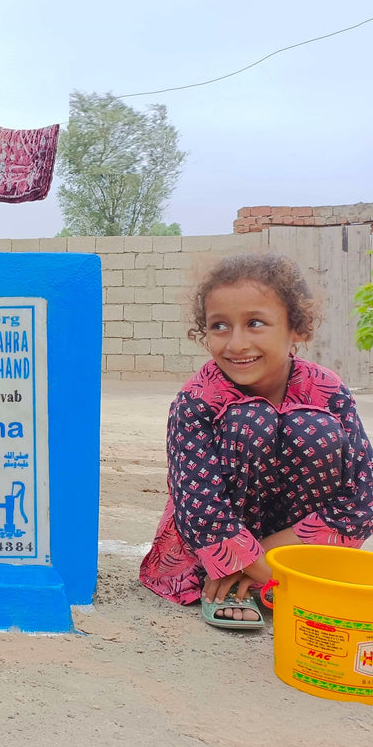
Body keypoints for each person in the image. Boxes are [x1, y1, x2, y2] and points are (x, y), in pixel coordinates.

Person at [140, 252, 373, 629]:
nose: (236, 343)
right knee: (252, 418)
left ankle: (252, 577)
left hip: (295, 545)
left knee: (319, 430)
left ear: (296, 329)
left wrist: (265, 563)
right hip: (208, 546)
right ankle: (229, 580)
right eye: (219, 326)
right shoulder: (198, 399)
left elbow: (361, 494)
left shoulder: (328, 390)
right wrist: (250, 562)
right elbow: (198, 502)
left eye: (255, 323)